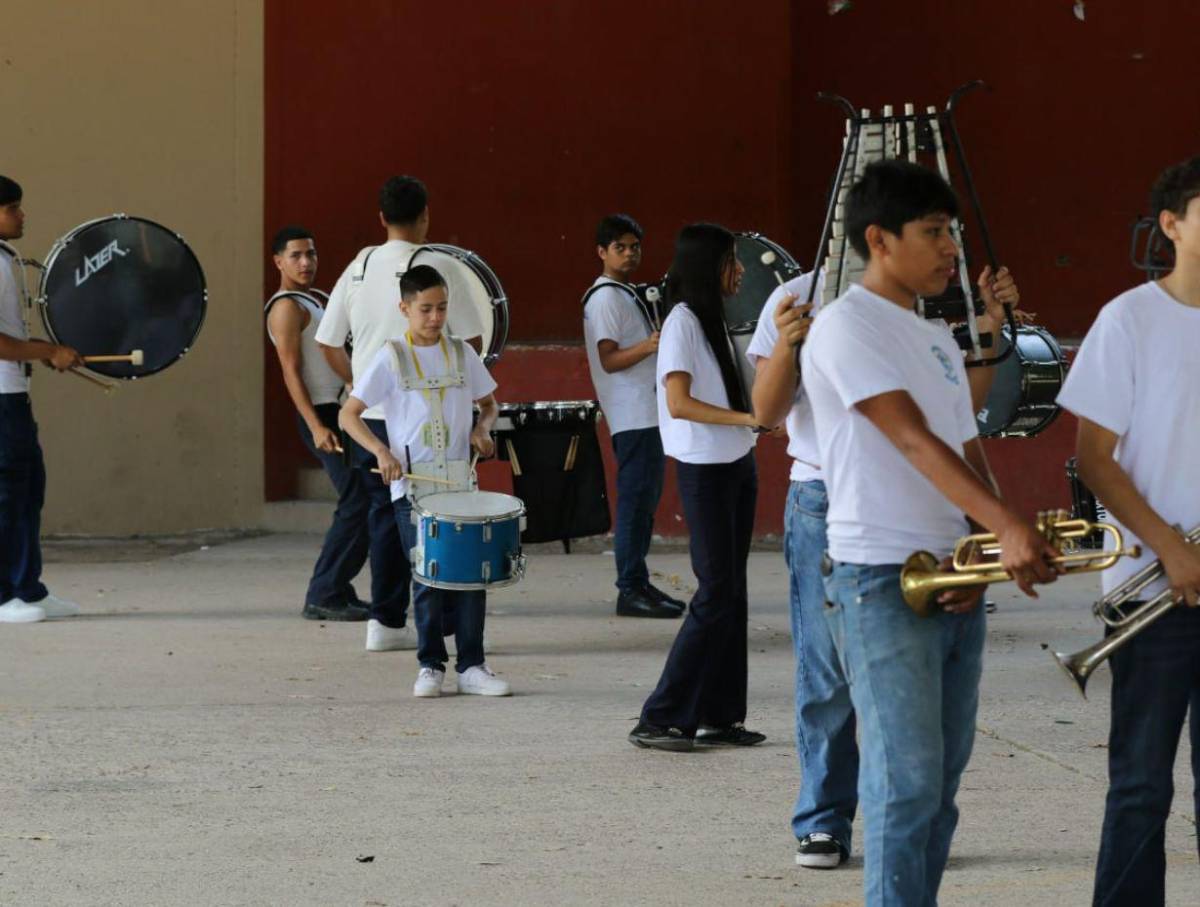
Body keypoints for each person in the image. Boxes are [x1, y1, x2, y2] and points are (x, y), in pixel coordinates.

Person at [800, 159, 1058, 904]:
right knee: (903, 784)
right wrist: (1007, 524)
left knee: (938, 786)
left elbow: (967, 447)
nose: (952, 249)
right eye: (934, 233)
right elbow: (909, 438)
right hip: (880, 579)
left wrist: (988, 544)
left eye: (952, 231)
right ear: (879, 239)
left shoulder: (938, 340)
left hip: (950, 577)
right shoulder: (846, 327)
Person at [749, 256, 1020, 870]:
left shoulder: (924, 309)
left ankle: (912, 824)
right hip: (826, 496)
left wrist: (990, 329)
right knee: (828, 668)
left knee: (927, 681)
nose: (943, 249)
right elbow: (765, 416)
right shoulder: (798, 298)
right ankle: (823, 818)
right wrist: (790, 345)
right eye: (928, 229)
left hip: (920, 496)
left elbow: (955, 416)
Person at [1057, 156, 1200, 907]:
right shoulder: (1129, 319)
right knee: (1143, 784)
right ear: (1171, 225)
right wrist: (1172, 546)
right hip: (1155, 593)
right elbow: (1095, 460)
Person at [317, 176, 479, 652]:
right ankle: (447, 625)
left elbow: (327, 342)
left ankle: (385, 622)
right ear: (426, 215)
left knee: (384, 517)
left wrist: (362, 383)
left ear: (382, 218)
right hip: (426, 414)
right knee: (443, 517)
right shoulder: (438, 263)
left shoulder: (359, 265)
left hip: (369, 417)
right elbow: (468, 340)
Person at [339, 264, 510, 697]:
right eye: (426, 309)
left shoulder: (462, 354)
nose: (435, 318)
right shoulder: (391, 356)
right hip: (412, 488)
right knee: (428, 576)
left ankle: (473, 666)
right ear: (405, 308)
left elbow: (489, 404)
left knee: (472, 574)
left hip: (459, 484)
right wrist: (381, 451)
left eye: (442, 308)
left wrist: (482, 428)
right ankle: (430, 665)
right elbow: (348, 414)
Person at [627, 223, 764, 752]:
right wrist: (746, 416)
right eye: (733, 260)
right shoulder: (683, 321)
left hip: (736, 462)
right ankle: (660, 717)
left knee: (733, 592)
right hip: (705, 468)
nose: (742, 271)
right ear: (711, 266)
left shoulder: (715, 319)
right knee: (714, 592)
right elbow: (679, 402)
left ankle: (720, 715)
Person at [265, 225, 369, 621]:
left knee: (361, 497)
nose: (306, 262)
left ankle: (337, 588)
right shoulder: (286, 307)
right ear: (279, 262)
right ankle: (324, 593)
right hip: (321, 415)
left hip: (340, 411)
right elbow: (290, 371)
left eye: (311, 254)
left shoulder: (316, 301)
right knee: (357, 499)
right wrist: (315, 426)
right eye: (295, 256)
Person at [581, 214, 683, 619]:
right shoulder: (605, 297)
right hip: (633, 415)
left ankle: (638, 583)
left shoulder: (624, 293)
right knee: (636, 504)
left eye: (634, 247)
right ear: (602, 252)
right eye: (619, 247)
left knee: (643, 504)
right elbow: (609, 360)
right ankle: (629, 589)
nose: (628, 254)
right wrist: (653, 344)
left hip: (646, 414)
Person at [0, 175, 83, 623]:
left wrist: (45, 354)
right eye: (12, 208)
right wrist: (50, 350)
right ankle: (2, 595)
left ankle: (28, 589)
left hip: (14, 394)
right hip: (0, 399)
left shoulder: (6, 259)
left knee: (28, 492)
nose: (21, 215)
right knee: (6, 498)